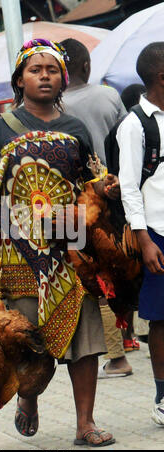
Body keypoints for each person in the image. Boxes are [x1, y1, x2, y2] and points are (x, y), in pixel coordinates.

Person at [0, 38, 118, 447]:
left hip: (71, 246)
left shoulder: (76, 128)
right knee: (23, 341)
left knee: (86, 338)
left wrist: (103, 194)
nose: (44, 76)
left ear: (63, 79)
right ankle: (28, 398)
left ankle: (85, 424)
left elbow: (88, 186)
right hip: (18, 248)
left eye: (52, 70)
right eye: (35, 70)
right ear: (19, 79)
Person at [60, 38, 133, 377]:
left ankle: (118, 357)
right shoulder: (109, 96)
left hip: (78, 203)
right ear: (87, 66)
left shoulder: (55, 109)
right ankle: (135, 335)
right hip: (116, 193)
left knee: (96, 276)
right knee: (125, 262)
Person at [117, 41, 164, 425]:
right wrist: (144, 239)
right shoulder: (135, 125)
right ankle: (163, 397)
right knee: (161, 319)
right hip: (158, 234)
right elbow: (129, 186)